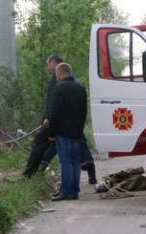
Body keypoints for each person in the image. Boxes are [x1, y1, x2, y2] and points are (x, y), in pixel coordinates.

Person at [22, 54, 97, 184]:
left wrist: (48, 119)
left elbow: (53, 101)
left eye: (48, 64)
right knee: (79, 143)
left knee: (39, 144)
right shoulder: (77, 83)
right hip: (73, 124)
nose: (48, 68)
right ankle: (90, 171)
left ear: (54, 63)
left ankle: (30, 174)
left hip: (56, 122)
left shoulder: (57, 80)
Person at [48, 63, 87, 201]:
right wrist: (80, 129)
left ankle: (66, 191)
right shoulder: (80, 86)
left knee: (65, 161)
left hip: (63, 131)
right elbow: (84, 111)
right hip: (77, 130)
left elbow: (54, 112)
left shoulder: (60, 87)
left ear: (59, 73)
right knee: (75, 161)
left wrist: (51, 132)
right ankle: (74, 191)